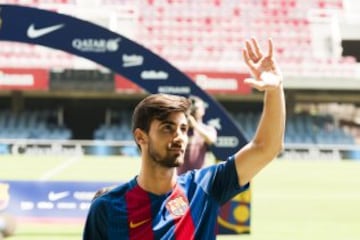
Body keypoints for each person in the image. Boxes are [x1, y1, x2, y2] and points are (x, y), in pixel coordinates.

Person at [83, 37, 285, 240]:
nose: (179, 137)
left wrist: (275, 90)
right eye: (167, 128)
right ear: (141, 137)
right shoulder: (107, 208)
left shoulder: (204, 188)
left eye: (183, 128)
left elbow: (266, 148)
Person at [176, 95, 217, 175]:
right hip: (180, 176)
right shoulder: (180, 128)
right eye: (192, 109)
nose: (194, 111)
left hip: (199, 176)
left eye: (197, 108)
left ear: (203, 110)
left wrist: (195, 125)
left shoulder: (207, 129)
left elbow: (212, 139)